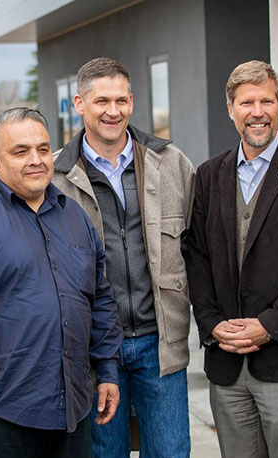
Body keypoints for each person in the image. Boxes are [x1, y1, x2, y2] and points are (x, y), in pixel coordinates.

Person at [0, 107, 122, 458]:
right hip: (3, 414)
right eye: (20, 152)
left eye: (43, 149)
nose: (36, 160)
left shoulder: (74, 216)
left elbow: (101, 299)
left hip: (72, 410)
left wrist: (107, 369)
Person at [183, 60, 278, 458]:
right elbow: (197, 256)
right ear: (230, 108)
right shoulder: (209, 174)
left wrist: (269, 326)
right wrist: (212, 324)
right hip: (227, 364)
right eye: (247, 102)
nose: (257, 112)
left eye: (266, 101)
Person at [50, 57, 196, 458]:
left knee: (170, 452)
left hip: (160, 344)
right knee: (102, 454)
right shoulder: (54, 178)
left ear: (131, 101)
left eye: (120, 100)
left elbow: (198, 249)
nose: (112, 111)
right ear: (80, 104)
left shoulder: (171, 164)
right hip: (96, 352)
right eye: (101, 101)